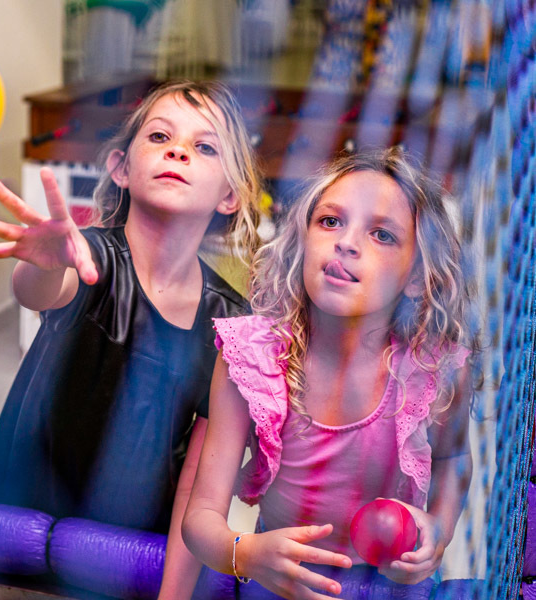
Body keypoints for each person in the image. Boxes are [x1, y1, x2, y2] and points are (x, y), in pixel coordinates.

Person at [0, 80, 263, 597]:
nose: (178, 151)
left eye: (204, 146)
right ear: (121, 168)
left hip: (127, 550)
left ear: (230, 195)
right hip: (16, 526)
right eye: (160, 136)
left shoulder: (230, 321)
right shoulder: (93, 259)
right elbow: (42, 291)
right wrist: (46, 263)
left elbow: (199, 476)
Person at [181, 147, 476, 599]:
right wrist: (246, 553)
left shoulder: (434, 369)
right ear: (302, 241)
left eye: (381, 234)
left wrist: (439, 526)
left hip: (391, 588)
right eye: (331, 221)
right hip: (281, 583)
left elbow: (453, 460)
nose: (347, 242)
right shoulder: (255, 358)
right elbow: (200, 519)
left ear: (417, 278)